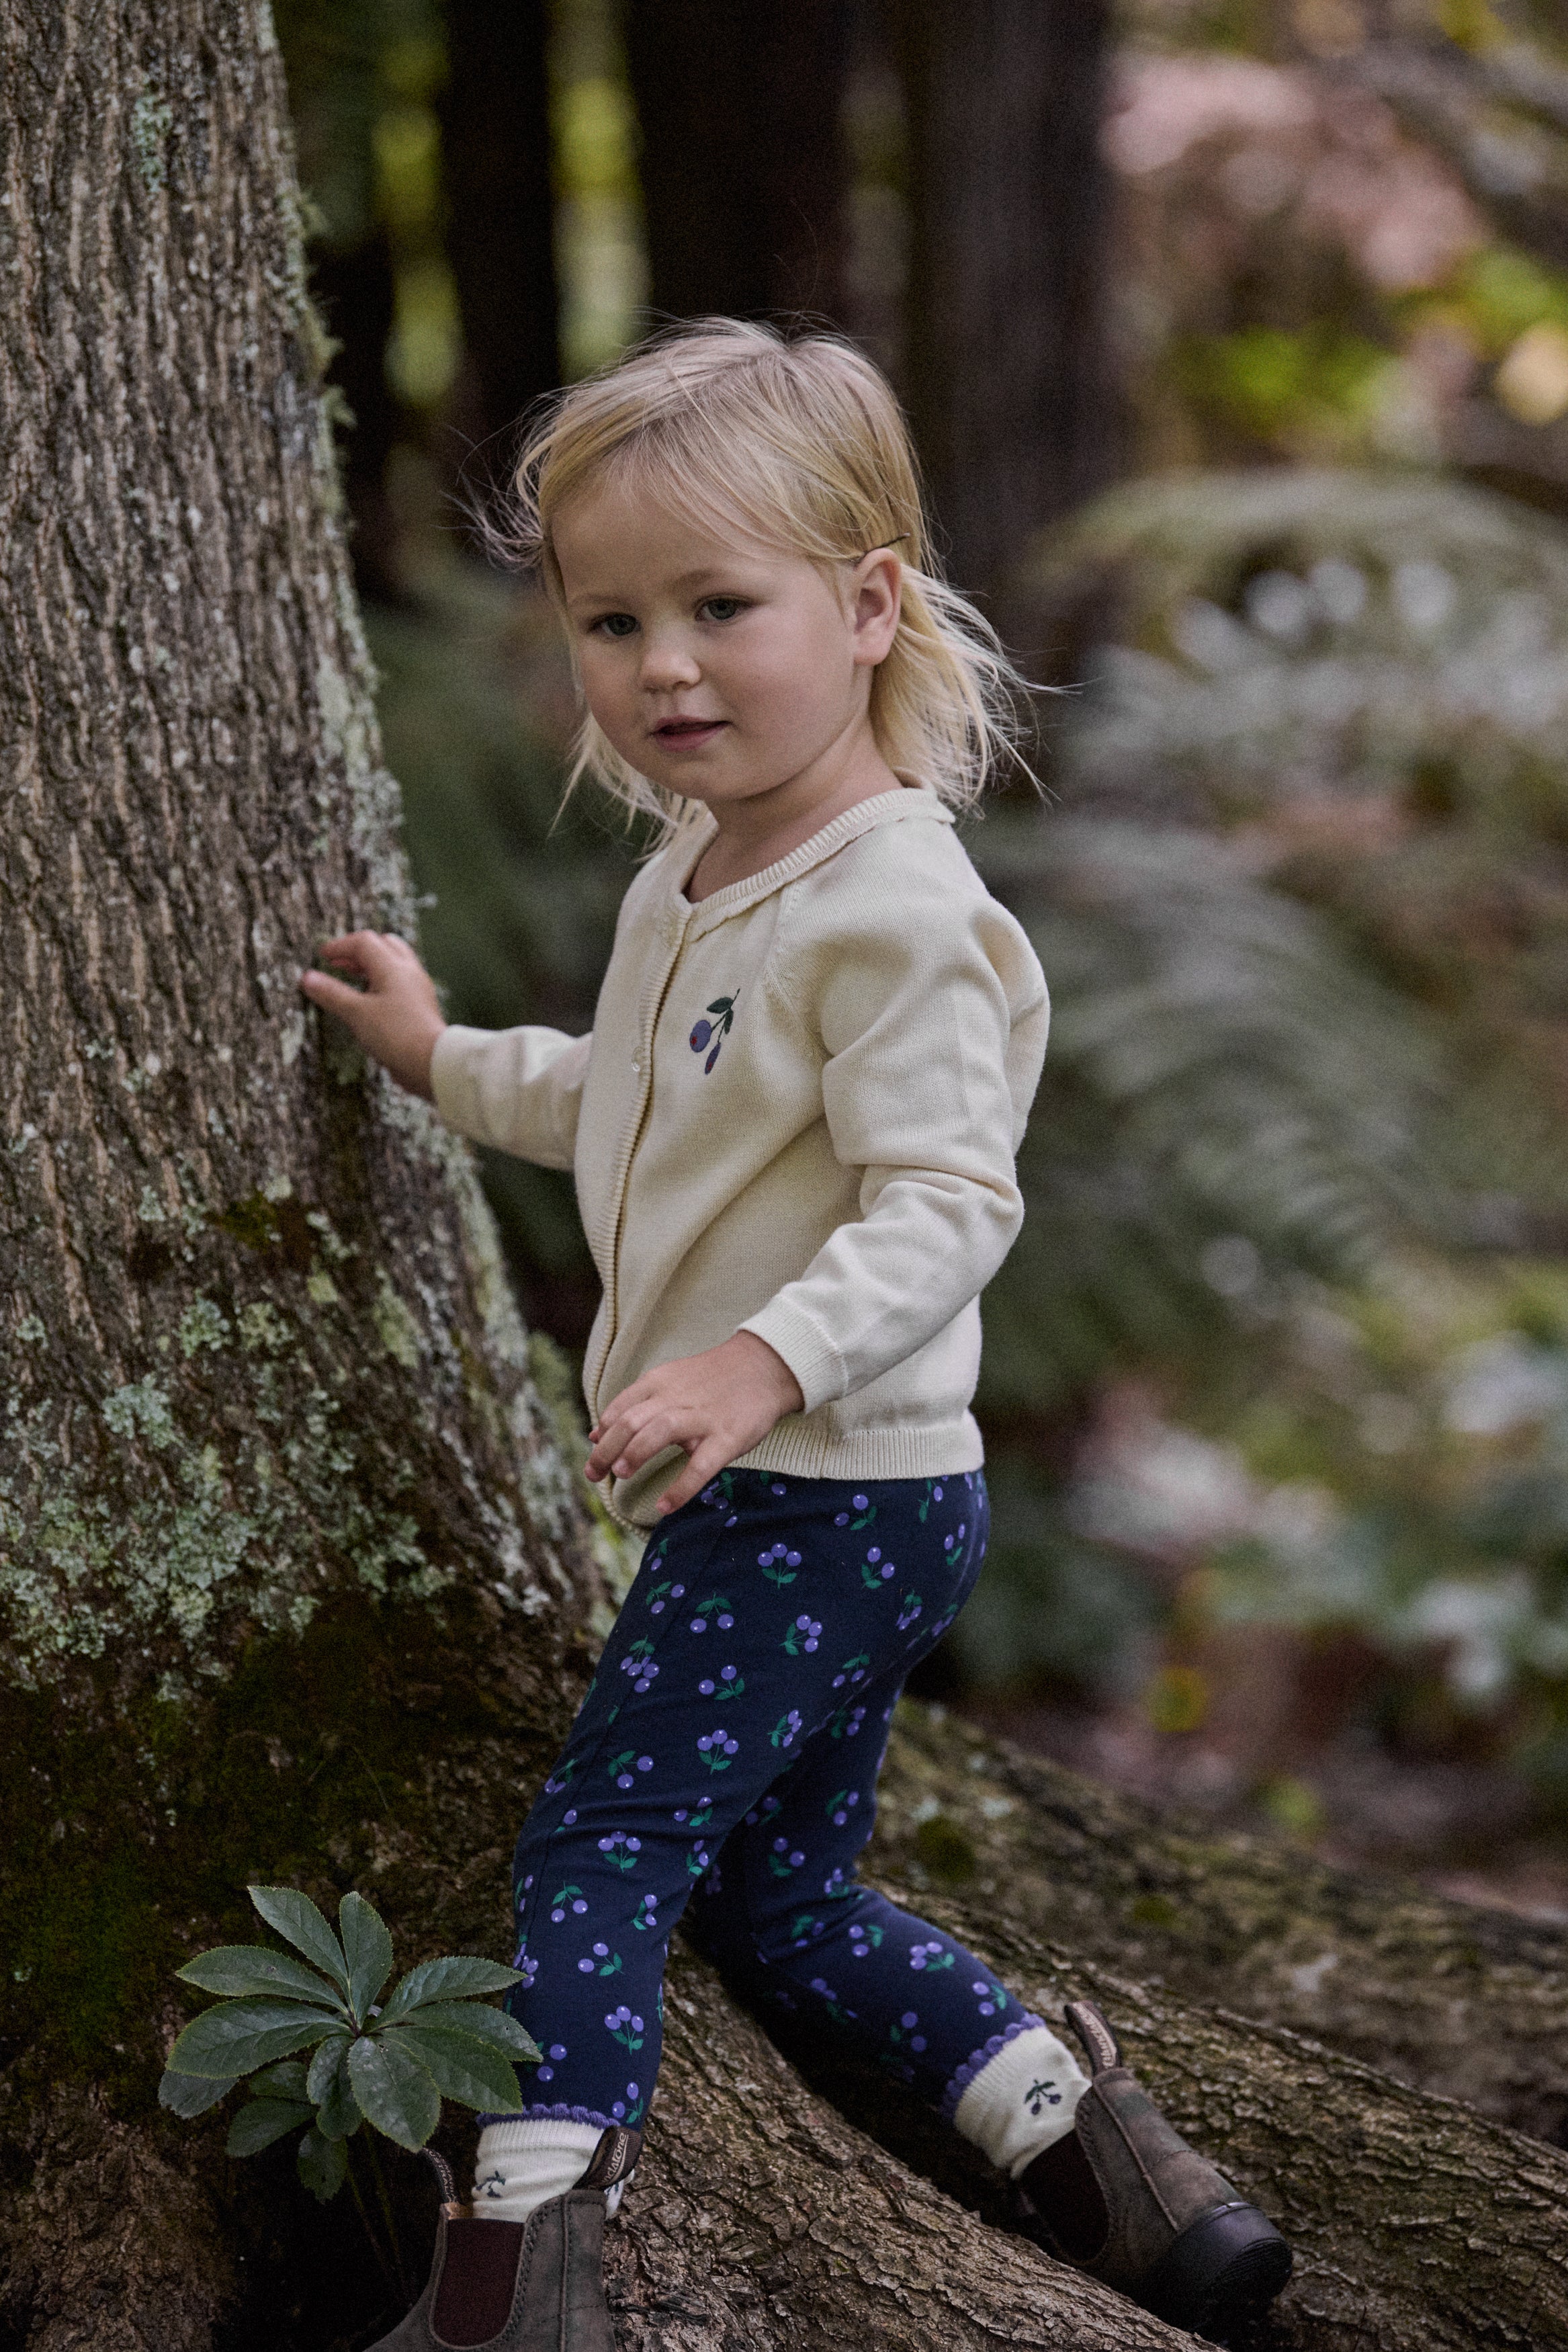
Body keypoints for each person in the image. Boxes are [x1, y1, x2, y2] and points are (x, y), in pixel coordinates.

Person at [301, 320, 1291, 2350]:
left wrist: (757, 1362)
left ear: (864, 607)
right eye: (613, 618)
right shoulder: (701, 871)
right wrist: (439, 1057)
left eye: (717, 607)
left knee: (600, 1842)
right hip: (811, 1495)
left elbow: (951, 1199)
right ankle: (1094, 2150)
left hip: (824, 1489)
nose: (661, 664)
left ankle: (524, 2270)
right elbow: (635, 1098)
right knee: (782, 1900)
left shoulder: (895, 908)